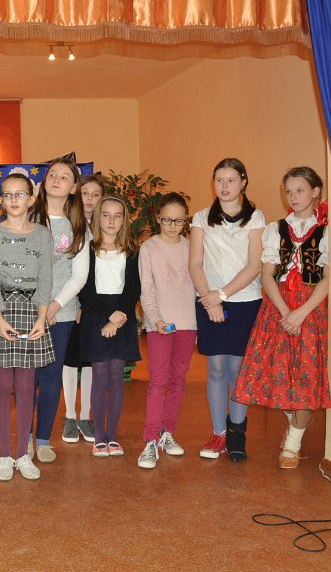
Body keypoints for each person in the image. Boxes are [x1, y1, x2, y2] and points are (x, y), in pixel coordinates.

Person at [232, 167, 329, 469]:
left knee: (305, 374)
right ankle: (294, 421)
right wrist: (286, 312)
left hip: (311, 308)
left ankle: (293, 443)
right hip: (278, 306)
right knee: (277, 371)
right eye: (288, 191)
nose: (293, 197)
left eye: (300, 190)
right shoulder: (276, 229)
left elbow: (328, 278)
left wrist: (302, 312)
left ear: (315, 191)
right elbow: (267, 275)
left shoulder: (327, 231)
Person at [0, 174, 54, 481]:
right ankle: (5, 455)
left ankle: (23, 453)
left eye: (20, 194)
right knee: (3, 385)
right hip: (1, 311)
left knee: (26, 386)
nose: (14, 200)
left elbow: (46, 277)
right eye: (7, 195)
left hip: (31, 311)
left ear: (31, 199)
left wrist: (41, 318)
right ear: (2, 201)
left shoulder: (42, 234)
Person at [189, 158, 264, 462]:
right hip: (209, 301)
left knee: (238, 370)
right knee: (217, 369)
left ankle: (237, 434)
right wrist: (210, 299)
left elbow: (254, 265)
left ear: (243, 182)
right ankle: (218, 433)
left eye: (231, 180)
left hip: (244, 302)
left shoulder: (256, 218)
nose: (224, 185)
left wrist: (221, 295)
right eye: (219, 179)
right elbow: (195, 263)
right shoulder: (201, 218)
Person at [29, 158, 90, 462]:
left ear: (74, 187)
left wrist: (53, 307)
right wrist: (39, 307)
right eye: (52, 174)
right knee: (27, 378)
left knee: (51, 377)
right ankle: (25, 439)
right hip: (27, 310)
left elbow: (79, 276)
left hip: (61, 313)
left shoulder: (78, 226)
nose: (56, 179)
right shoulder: (27, 217)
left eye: (64, 177)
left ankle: (42, 440)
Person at [137, 193, 197, 469]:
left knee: (178, 381)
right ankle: (150, 440)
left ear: (186, 220)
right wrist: (156, 319)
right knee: (158, 381)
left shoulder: (193, 247)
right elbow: (147, 290)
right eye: (167, 220)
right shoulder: (149, 248)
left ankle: (167, 433)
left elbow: (199, 284)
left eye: (179, 220)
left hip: (187, 323)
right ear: (158, 219)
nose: (173, 226)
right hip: (159, 324)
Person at [78, 196, 140, 458]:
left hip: (122, 315)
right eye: (106, 215)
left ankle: (112, 436)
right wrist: (108, 316)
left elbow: (133, 287)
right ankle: (99, 438)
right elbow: (85, 289)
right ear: (97, 217)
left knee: (116, 377)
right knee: (99, 376)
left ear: (124, 220)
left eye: (117, 215)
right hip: (97, 314)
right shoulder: (87, 249)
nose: (111, 221)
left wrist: (118, 317)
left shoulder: (132, 251)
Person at [61, 173, 103, 443]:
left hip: (95, 307)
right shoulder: (67, 226)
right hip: (70, 304)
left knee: (89, 362)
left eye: (96, 194)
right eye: (85, 193)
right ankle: (69, 415)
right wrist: (75, 303)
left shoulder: (105, 227)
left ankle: (86, 415)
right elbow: (65, 269)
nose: (89, 199)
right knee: (70, 359)